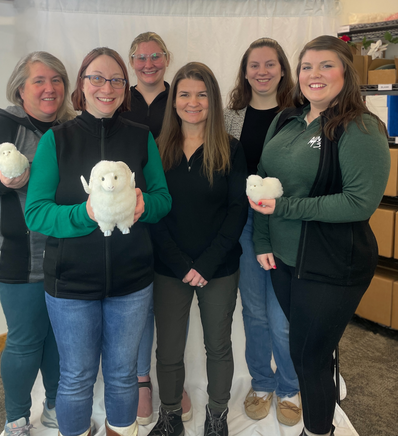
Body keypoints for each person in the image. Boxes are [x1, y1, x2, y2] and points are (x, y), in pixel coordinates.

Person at [24, 47, 172, 436]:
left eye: (116, 79)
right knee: (76, 377)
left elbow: (163, 199)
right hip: (70, 283)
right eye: (97, 78)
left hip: (132, 281)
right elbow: (36, 212)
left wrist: (144, 207)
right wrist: (84, 215)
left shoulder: (142, 138)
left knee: (123, 375)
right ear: (82, 86)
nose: (107, 87)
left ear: (126, 87)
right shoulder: (56, 141)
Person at [250, 35, 390, 436]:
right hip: (284, 259)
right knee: (305, 352)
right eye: (307, 66)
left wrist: (287, 208)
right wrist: (262, 239)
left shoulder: (359, 127)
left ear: (346, 73)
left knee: (309, 357)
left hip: (332, 264)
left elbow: (358, 203)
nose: (314, 74)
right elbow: (263, 184)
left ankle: (318, 430)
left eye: (326, 65)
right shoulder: (287, 119)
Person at [0, 51, 76, 435]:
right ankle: (17, 418)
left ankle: (55, 408)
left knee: (58, 337)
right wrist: (2, 183)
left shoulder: (70, 128)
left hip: (65, 252)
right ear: (20, 88)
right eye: (39, 80)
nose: (49, 88)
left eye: (56, 80)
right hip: (15, 255)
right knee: (26, 338)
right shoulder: (1, 127)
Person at [148, 62, 248, 436]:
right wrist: (180, 264)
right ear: (174, 102)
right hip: (169, 268)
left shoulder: (231, 150)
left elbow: (238, 210)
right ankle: (170, 415)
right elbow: (152, 214)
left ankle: (217, 415)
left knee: (218, 347)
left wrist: (205, 263)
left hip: (218, 267)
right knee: (169, 351)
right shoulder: (157, 149)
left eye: (202, 94)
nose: (193, 102)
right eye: (185, 94)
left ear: (213, 99)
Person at [224, 38, 301, 426]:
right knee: (254, 311)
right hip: (245, 224)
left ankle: (289, 388)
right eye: (254, 65)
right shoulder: (230, 115)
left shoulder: (301, 114)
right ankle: (261, 382)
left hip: (287, 220)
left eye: (270, 64)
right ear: (245, 71)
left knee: (282, 312)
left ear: (283, 69)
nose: (262, 72)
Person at [120, 31, 192, 426]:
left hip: (174, 208)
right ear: (131, 62)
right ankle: (142, 379)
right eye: (140, 57)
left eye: (155, 56)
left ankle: (171, 377)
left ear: (167, 57)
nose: (148, 64)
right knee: (138, 303)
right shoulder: (119, 98)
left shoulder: (181, 95)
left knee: (168, 302)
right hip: (128, 215)